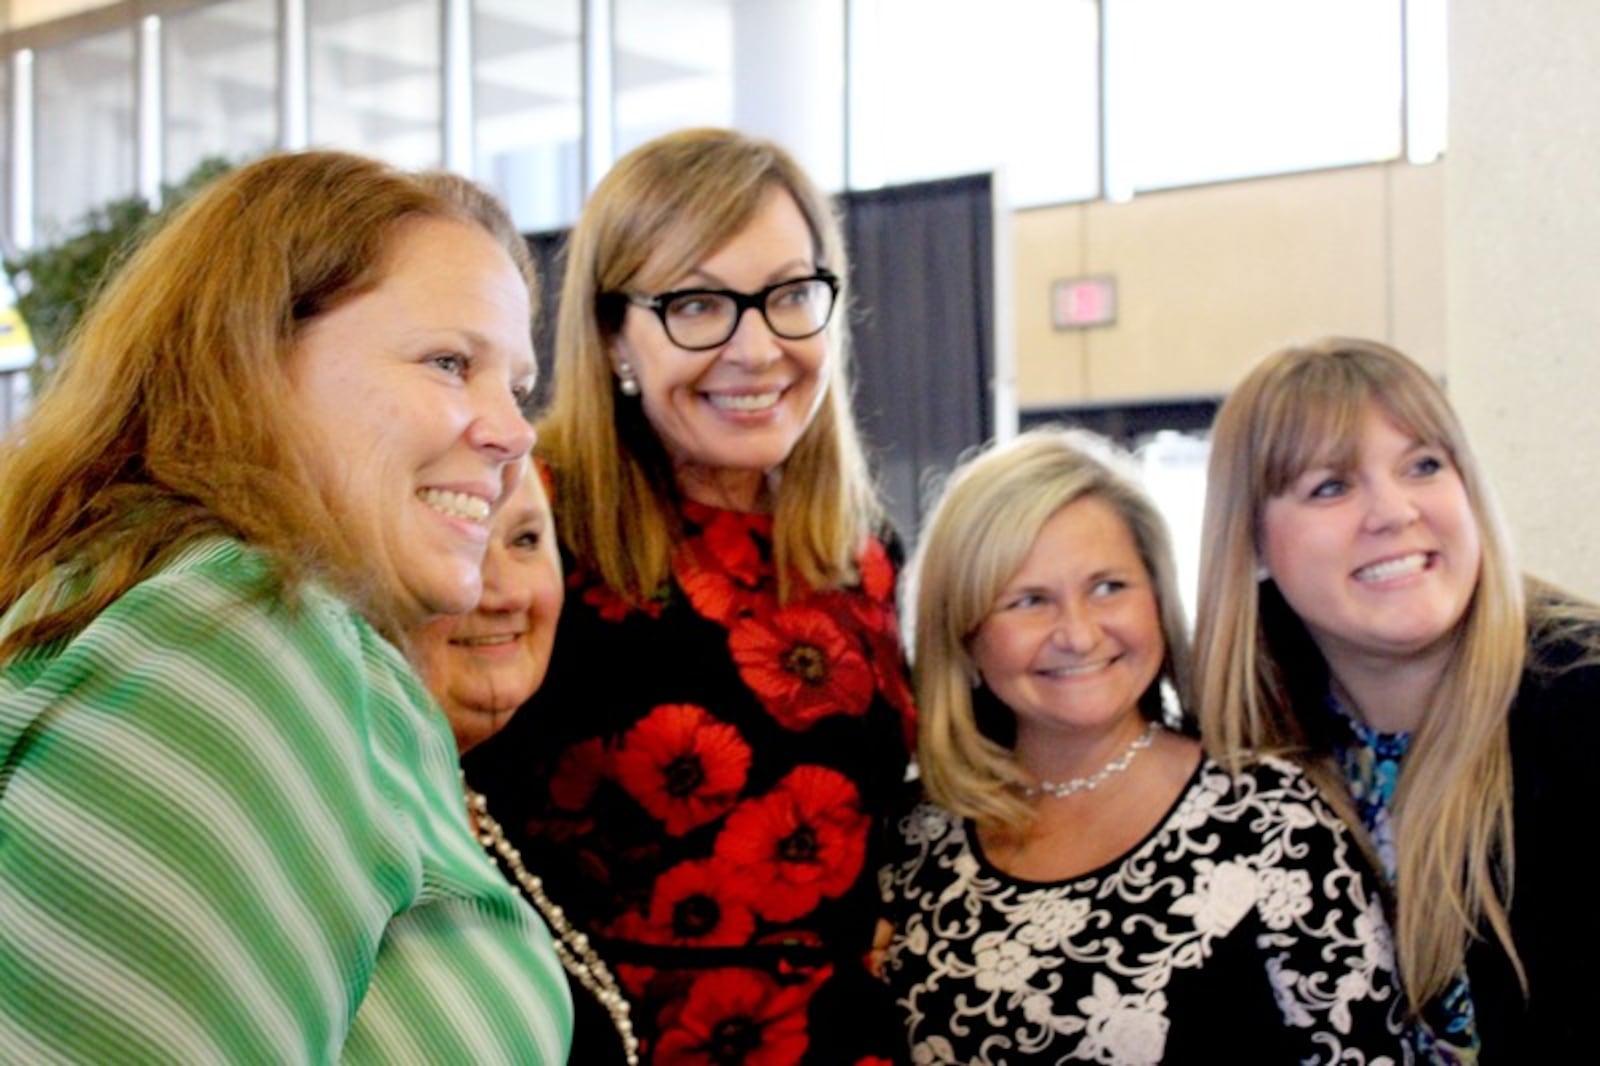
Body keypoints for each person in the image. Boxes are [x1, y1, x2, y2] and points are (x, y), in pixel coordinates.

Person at [0, 151, 572, 1062]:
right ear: (251, 360)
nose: (513, 433)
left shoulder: (263, 632)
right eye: (450, 362)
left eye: (517, 384)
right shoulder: (228, 634)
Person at [462, 127, 913, 1064]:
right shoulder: (527, 520)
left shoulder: (863, 550)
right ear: (613, 336)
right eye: (699, 305)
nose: (757, 350)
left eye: (791, 296)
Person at [879, 427, 1407, 1064]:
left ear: (1158, 599)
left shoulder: (1271, 824)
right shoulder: (910, 840)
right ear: (963, 635)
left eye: (1109, 587)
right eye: (1028, 601)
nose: (1077, 634)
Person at [1194, 336, 1600, 1061]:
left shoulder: (1583, 703)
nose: (1393, 512)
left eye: (1423, 465)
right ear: (1251, 542)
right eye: (1330, 486)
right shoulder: (1230, 746)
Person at [412, 459, 642, 1066]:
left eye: (525, 540)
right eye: (459, 544)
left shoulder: (497, 804)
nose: (506, 592)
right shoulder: (355, 822)